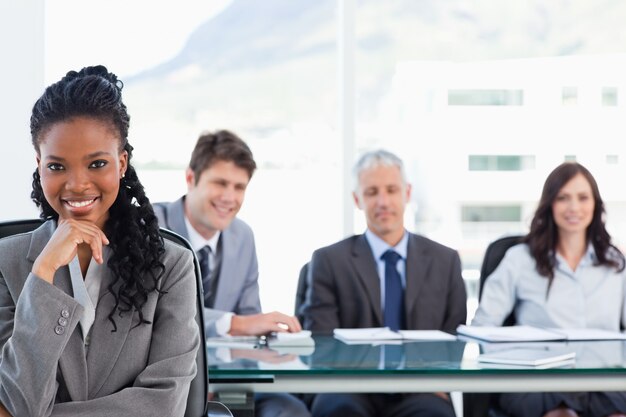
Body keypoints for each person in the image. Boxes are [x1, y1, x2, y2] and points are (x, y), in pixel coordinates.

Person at [0, 65, 199, 417]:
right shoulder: (6, 262)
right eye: (57, 167)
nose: (77, 184)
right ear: (39, 164)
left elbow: (165, 406)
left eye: (96, 164)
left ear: (121, 163)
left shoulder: (172, 265)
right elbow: (21, 399)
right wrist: (44, 271)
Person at [153, 130, 310, 417]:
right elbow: (156, 314)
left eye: (239, 187)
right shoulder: (152, 228)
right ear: (191, 178)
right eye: (220, 183)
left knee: (291, 410)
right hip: (165, 385)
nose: (230, 197)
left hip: (230, 384)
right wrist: (234, 324)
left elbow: (251, 319)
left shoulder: (243, 236)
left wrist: (273, 341)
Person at [301, 149, 467, 417]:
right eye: (371, 192)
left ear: (407, 193)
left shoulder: (444, 261)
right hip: (348, 387)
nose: (383, 201)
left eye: (392, 190)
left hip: (421, 389)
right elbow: (322, 341)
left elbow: (453, 337)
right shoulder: (329, 261)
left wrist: (437, 382)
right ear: (357, 199)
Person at [473, 162, 626, 417]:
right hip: (537, 381)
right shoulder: (520, 259)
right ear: (549, 204)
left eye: (582, 198)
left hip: (602, 380)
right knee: (561, 415)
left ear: (595, 205)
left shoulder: (614, 263)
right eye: (563, 198)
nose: (574, 207)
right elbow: (483, 327)